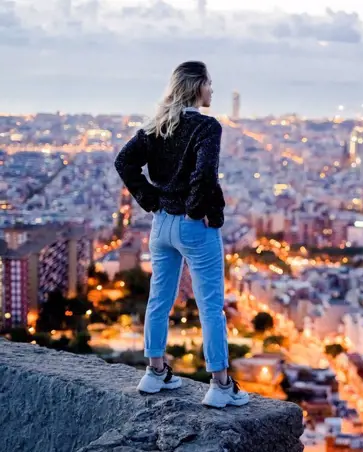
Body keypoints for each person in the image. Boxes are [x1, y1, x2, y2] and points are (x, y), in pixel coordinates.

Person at [114, 61, 249, 408]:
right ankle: (220, 384)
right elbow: (204, 176)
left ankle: (154, 371)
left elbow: (124, 162)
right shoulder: (206, 127)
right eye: (209, 84)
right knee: (210, 306)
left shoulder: (156, 126)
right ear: (196, 87)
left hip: (161, 224)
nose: (212, 90)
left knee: (159, 298)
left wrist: (151, 199)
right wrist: (194, 211)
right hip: (193, 226)